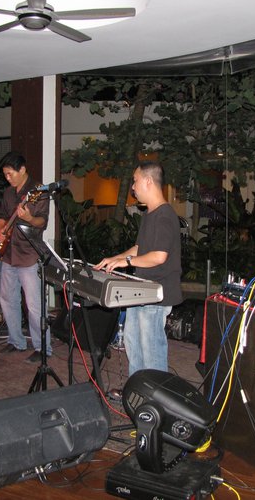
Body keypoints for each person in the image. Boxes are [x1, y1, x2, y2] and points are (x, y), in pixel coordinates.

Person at [95, 161, 183, 379]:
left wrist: (127, 261)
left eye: (135, 181)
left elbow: (159, 256)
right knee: (133, 345)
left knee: (151, 352)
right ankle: (137, 389)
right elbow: (139, 249)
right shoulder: (149, 214)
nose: (133, 187)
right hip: (142, 291)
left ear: (148, 181)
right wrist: (115, 258)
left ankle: (155, 393)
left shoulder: (165, 215)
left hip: (157, 295)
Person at [0, 151, 51, 362]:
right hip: (8, 253)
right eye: (5, 175)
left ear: (22, 170)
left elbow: (41, 222)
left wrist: (28, 217)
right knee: (7, 299)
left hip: (28, 254)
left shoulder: (38, 191)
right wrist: (0, 230)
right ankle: (16, 341)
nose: (7, 178)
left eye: (10, 174)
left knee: (34, 304)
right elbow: (2, 216)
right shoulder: (8, 193)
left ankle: (42, 347)